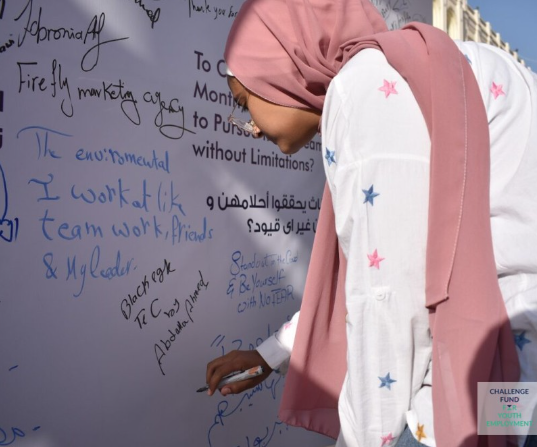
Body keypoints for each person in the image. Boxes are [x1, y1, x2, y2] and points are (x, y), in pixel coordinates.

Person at [205, 1, 537, 446]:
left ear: (285, 66)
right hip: (517, 385)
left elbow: (387, 300)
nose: (252, 128)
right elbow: (384, 269)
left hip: (494, 379)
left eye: (244, 102)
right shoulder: (410, 69)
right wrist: (272, 355)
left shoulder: (367, 88)